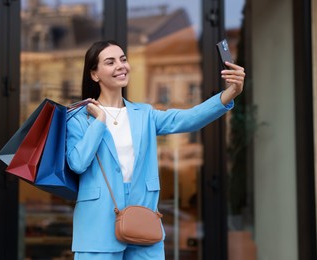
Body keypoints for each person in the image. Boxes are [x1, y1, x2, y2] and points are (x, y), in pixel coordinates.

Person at [66, 40, 245, 260]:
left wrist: (231, 93)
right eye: (110, 62)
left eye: (123, 59)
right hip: (97, 226)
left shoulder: (145, 114)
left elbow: (189, 119)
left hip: (143, 222)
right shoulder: (78, 119)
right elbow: (77, 162)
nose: (121, 66)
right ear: (94, 74)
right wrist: (99, 121)